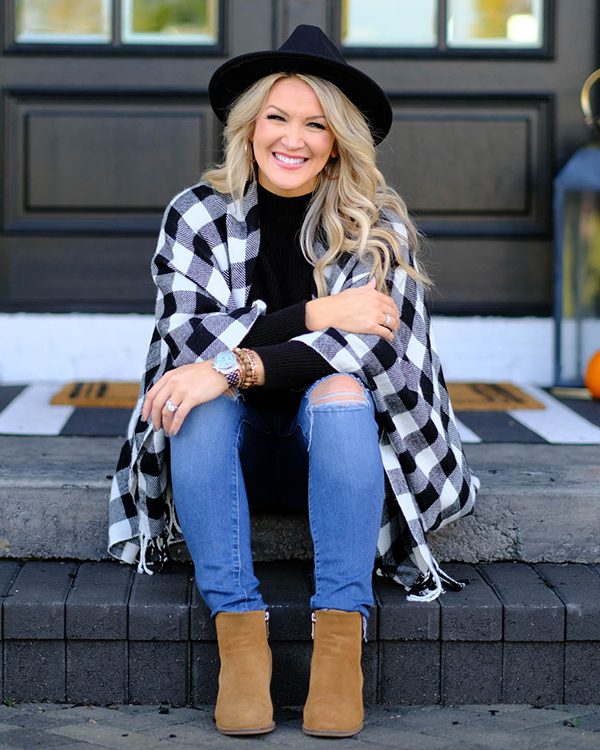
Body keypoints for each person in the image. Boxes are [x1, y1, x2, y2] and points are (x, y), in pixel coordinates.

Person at [108, 25, 479, 738]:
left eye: (316, 124)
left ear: (338, 141)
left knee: (338, 393)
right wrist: (318, 311)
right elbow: (187, 338)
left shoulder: (377, 221)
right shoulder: (195, 215)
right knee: (201, 406)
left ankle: (341, 645)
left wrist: (238, 364)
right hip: (226, 457)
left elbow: (369, 353)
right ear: (249, 128)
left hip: (335, 451)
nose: (294, 138)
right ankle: (240, 644)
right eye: (277, 117)